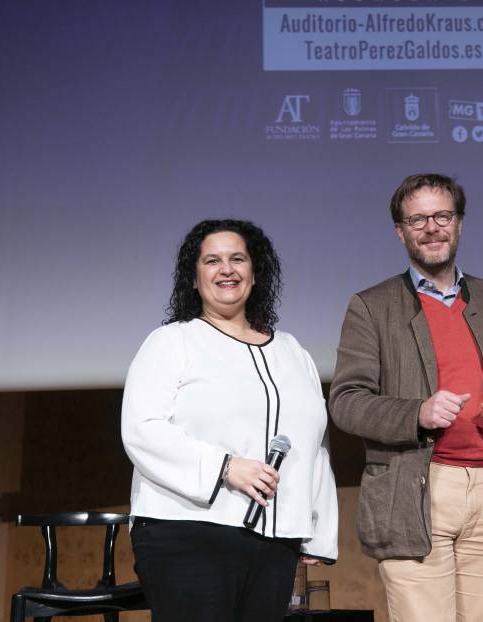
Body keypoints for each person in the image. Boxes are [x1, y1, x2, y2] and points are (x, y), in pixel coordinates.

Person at [329, 173, 483, 622]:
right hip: (415, 490)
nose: (432, 227)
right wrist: (416, 412)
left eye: (442, 215)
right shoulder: (371, 305)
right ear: (400, 231)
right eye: (418, 219)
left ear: (459, 223)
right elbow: (346, 400)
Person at [122, 219, 338, 622]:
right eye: (213, 260)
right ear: (194, 276)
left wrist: (317, 529)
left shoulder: (293, 351)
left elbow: (314, 443)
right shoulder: (172, 342)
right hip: (186, 532)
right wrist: (225, 467)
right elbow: (142, 429)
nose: (227, 269)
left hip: (276, 540)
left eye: (238, 259)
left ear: (255, 275)